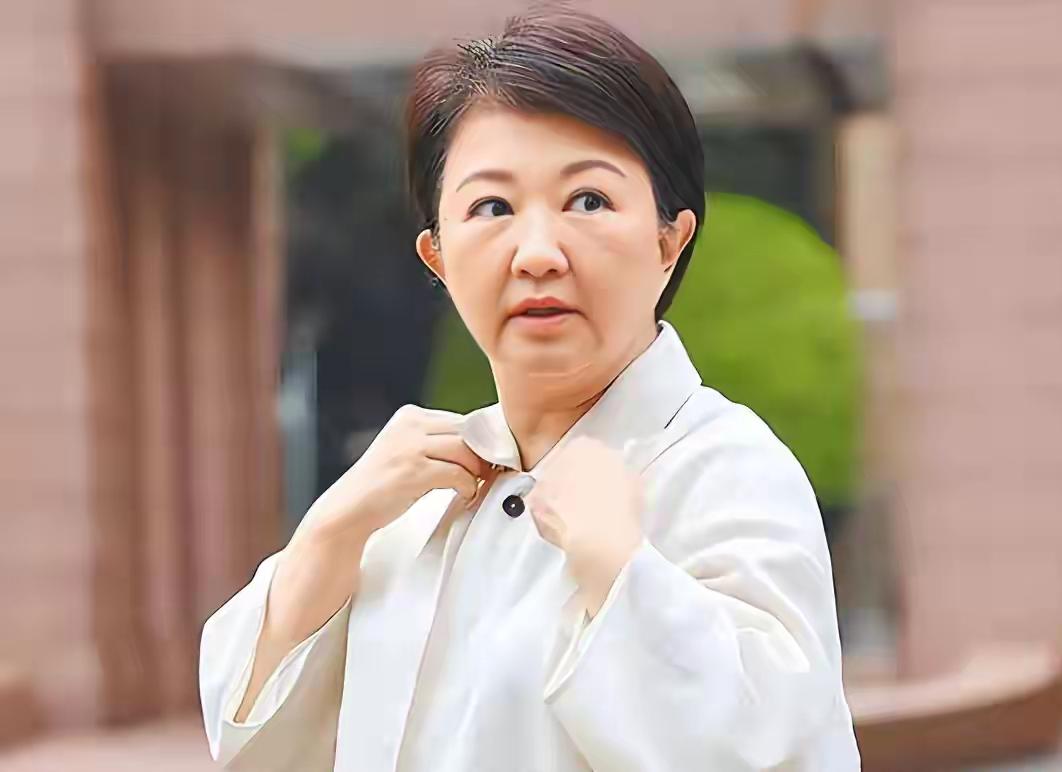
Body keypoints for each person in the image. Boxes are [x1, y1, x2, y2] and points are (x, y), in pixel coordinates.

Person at [199, 6, 861, 770]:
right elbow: (251, 743)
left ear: (668, 241)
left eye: (589, 200)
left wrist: (616, 562)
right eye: (492, 207)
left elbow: (768, 744)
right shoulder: (409, 503)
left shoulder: (725, 471)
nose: (537, 253)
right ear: (437, 257)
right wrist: (330, 535)